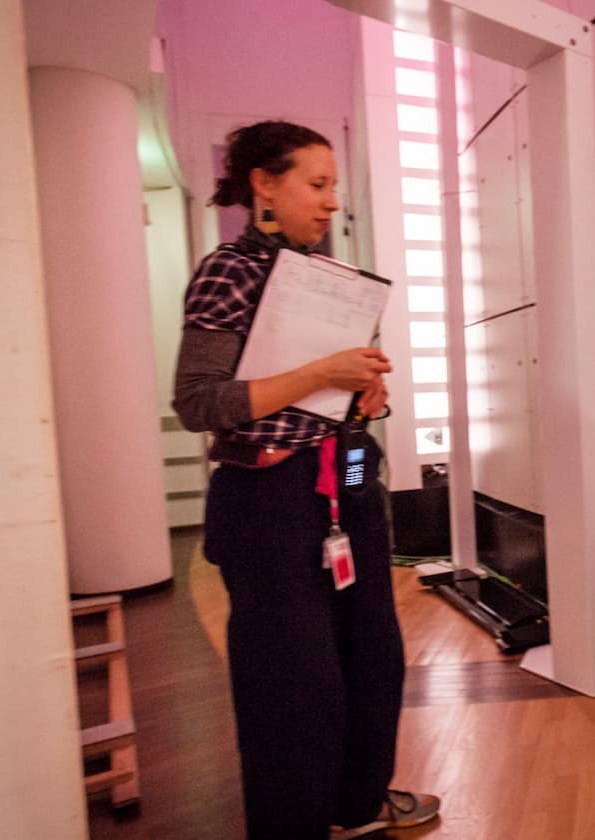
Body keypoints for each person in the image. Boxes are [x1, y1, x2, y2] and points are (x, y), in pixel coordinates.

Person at [172, 121, 438, 839]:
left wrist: (366, 396)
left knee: (372, 660)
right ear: (263, 183)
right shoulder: (229, 271)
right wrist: (321, 374)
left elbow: (342, 394)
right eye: (315, 185)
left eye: (333, 189)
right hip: (268, 500)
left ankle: (354, 806)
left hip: (349, 481)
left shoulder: (333, 278)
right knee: (292, 686)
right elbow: (199, 402)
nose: (330, 204)